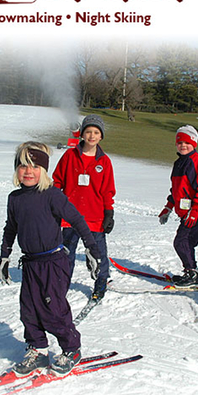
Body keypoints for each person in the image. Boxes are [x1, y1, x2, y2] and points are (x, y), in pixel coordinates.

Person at [0, 141, 101, 376]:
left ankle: (71, 349)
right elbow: (10, 228)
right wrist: (4, 257)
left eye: (34, 166)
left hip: (53, 262)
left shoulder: (52, 195)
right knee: (29, 309)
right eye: (23, 166)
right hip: (31, 263)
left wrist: (91, 249)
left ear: (43, 171)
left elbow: (77, 220)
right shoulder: (15, 198)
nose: (28, 171)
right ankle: (39, 350)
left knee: (53, 309)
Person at [53, 114, 116, 301]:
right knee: (66, 256)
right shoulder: (69, 156)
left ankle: (101, 283)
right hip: (69, 217)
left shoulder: (104, 162)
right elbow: (57, 181)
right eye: (88, 132)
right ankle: (61, 285)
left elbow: (108, 191)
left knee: (98, 255)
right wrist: (55, 205)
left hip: (94, 218)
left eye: (96, 132)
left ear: (101, 136)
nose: (92, 136)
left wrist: (109, 213)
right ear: (82, 134)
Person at [159, 125, 198, 288]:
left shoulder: (196, 162)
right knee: (187, 242)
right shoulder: (179, 163)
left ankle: (192, 272)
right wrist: (168, 207)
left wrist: (195, 211)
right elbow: (176, 190)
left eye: (187, 142)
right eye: (180, 142)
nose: (183, 145)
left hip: (196, 212)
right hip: (186, 212)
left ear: (194, 143)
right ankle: (192, 272)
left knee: (181, 241)